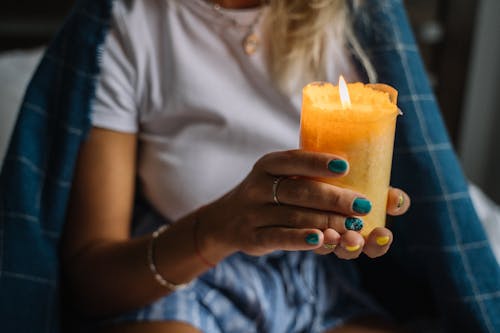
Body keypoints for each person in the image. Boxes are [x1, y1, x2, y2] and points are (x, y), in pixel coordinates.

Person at [60, 0, 413, 332]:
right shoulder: (127, 21)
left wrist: (361, 215)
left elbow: (434, 196)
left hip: (319, 279)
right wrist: (220, 227)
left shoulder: (355, 14)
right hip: (183, 271)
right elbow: (89, 285)